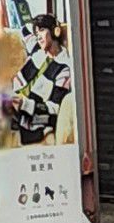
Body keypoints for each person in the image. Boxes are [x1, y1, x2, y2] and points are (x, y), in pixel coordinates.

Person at [6, 13, 75, 144]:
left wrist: (23, 104)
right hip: (14, 100)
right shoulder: (37, 48)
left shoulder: (64, 68)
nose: (38, 36)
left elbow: (54, 108)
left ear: (56, 31)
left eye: (42, 30)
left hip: (36, 114)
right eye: (36, 32)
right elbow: (24, 29)